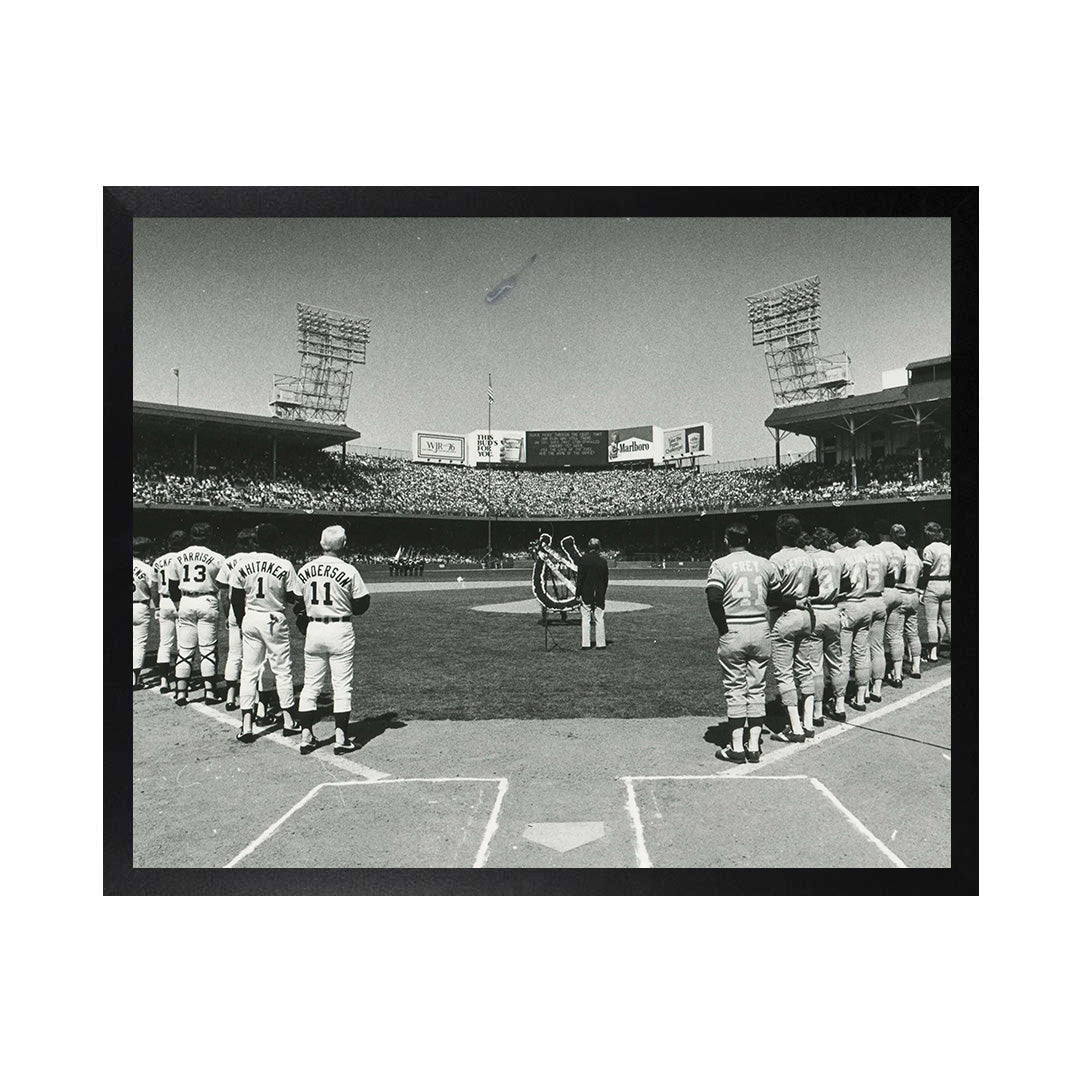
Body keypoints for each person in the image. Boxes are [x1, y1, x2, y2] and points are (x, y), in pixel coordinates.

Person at [294, 525, 372, 755]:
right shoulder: (348, 570)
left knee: (311, 685)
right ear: (344, 544)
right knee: (342, 686)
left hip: (314, 628)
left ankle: (306, 736)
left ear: (321, 544)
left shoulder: (305, 569)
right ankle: (341, 738)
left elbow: (297, 602)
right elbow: (362, 604)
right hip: (340, 627)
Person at [706, 521, 778, 763]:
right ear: (748, 540)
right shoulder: (764, 563)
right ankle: (754, 745)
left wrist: (723, 627)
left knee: (735, 688)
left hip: (734, 627)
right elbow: (776, 595)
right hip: (759, 626)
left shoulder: (721, 564)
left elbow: (714, 598)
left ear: (726, 541)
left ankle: (737, 746)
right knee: (757, 688)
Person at [229, 522, 303, 743]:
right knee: (282, 670)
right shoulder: (283, 564)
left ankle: (247, 725)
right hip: (273, 618)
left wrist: (243, 621)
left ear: (256, 541)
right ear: (276, 541)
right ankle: (289, 721)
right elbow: (293, 596)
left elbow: (235, 597)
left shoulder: (242, 563)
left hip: (250, 617)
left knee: (249, 671)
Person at [767, 514, 817, 743]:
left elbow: (771, 597)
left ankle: (795, 728)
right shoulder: (807, 557)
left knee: (784, 673)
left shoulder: (777, 558)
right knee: (805, 669)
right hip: (807, 616)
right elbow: (814, 588)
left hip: (785, 617)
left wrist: (792, 599)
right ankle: (807, 723)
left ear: (779, 533)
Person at [167, 522, 227, 706]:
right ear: (208, 537)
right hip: (207, 599)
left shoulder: (178, 557)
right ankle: (210, 692)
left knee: (185, 649)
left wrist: (180, 606)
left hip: (186, 599)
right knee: (208, 648)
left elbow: (172, 588)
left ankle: (181, 693)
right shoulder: (217, 557)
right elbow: (224, 586)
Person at [217, 528, 274, 715]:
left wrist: (229, 616)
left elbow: (224, 594)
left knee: (235, 654)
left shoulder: (229, 562)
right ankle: (260, 702)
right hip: (256, 610)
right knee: (260, 659)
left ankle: (231, 696)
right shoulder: (260, 560)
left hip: (236, 610)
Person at [806, 527, 845, 729]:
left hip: (815, 611)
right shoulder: (835, 557)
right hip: (833, 610)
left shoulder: (809, 559)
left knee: (815, 664)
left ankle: (817, 711)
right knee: (837, 662)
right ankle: (839, 706)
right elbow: (845, 583)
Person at [837, 527, 873, 712]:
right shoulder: (859, 555)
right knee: (861, 654)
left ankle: (839, 704)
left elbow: (844, 584)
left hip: (849, 604)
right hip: (864, 603)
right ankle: (861, 697)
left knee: (843, 656)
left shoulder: (839, 555)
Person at [150, 530, 186, 694]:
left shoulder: (158, 561)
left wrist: (157, 607)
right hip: (180, 600)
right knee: (183, 644)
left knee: (165, 643)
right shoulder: (183, 559)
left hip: (164, 600)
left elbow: (153, 588)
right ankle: (181, 681)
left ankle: (164, 680)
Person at [858, 528, 890, 702]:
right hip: (879, 598)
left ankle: (866, 690)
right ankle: (878, 688)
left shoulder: (857, 553)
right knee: (878, 647)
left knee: (863, 649)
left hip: (864, 599)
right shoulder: (879, 552)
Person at [875, 519, 906, 690]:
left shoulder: (877, 549)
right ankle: (898, 674)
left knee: (877, 640)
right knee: (895, 635)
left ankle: (877, 682)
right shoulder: (900, 551)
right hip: (896, 591)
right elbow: (902, 576)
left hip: (882, 591)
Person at [891, 524, 923, 680]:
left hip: (901, 593)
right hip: (914, 594)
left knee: (896, 635)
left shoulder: (897, 553)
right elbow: (921, 571)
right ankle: (916, 667)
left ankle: (897, 674)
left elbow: (897, 575)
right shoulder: (914, 551)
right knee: (913, 633)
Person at [920, 521, 951, 662]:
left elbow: (926, 571)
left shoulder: (929, 549)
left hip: (934, 583)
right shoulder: (948, 548)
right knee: (949, 620)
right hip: (947, 583)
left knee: (932, 621)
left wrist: (921, 589)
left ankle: (933, 653)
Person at [576, 538, 609, 649]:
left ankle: (586, 644)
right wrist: (603, 592)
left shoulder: (583, 560)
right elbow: (605, 580)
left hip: (586, 592)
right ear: (598, 547)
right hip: (599, 592)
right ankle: (601, 644)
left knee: (585, 618)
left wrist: (577, 593)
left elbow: (580, 578)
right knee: (599, 618)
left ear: (588, 547)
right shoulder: (603, 561)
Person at [132, 537, 154, 689]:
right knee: (138, 644)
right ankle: (134, 680)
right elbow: (153, 590)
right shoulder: (147, 568)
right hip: (140, 606)